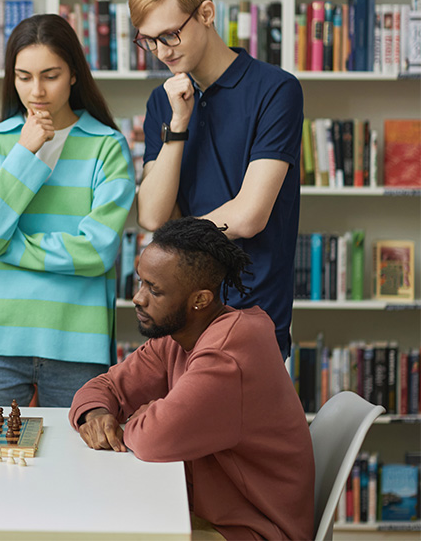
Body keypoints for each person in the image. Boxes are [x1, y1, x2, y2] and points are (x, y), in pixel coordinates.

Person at [69, 217, 313, 540]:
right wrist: (97, 414)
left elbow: (155, 438)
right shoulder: (176, 336)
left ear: (200, 299)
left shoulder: (229, 354)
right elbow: (105, 386)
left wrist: (149, 415)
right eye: (141, 282)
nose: (139, 299)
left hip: (254, 529)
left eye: (154, 290)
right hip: (206, 510)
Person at [0, 13, 136, 407]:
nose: (36, 91)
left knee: (79, 466)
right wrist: (24, 152)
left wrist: (8, 249)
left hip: (78, 342)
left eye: (50, 75)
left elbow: (97, 251)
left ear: (74, 74)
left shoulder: (107, 147)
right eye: (24, 77)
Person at [130, 0, 303, 360]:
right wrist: (177, 126)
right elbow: (153, 216)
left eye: (170, 34)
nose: (161, 52)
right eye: (149, 40)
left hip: (253, 312)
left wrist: (175, 234)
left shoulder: (276, 90)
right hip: (182, 318)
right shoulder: (164, 100)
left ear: (206, 14)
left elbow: (248, 216)